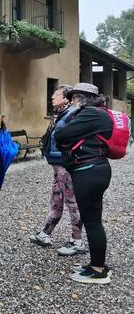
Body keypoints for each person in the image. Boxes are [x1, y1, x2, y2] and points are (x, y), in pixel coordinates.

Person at [55, 83, 113, 284]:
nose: (71, 102)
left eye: (73, 98)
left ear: (81, 98)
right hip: (96, 169)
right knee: (93, 219)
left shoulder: (90, 114)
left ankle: (98, 270)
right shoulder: (98, 114)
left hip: (89, 172)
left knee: (92, 221)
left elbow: (61, 135)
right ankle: (96, 263)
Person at [30, 85, 84, 256]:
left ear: (67, 98)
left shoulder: (72, 114)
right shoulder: (60, 114)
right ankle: (45, 234)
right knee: (56, 199)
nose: (52, 97)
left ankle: (77, 241)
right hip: (57, 165)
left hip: (65, 165)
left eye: (56, 94)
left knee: (71, 202)